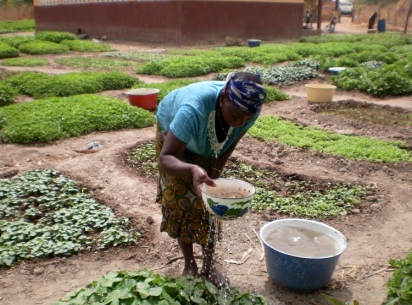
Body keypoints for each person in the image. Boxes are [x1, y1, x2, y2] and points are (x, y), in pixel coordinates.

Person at [155, 72, 266, 288]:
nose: (239, 122)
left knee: (211, 204)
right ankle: (189, 264)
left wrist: (215, 171)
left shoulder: (248, 108)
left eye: (246, 118)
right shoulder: (193, 109)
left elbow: (230, 141)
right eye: (235, 115)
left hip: (207, 139)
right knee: (181, 199)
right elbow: (166, 159)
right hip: (175, 141)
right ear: (223, 98)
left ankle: (208, 265)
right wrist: (193, 169)